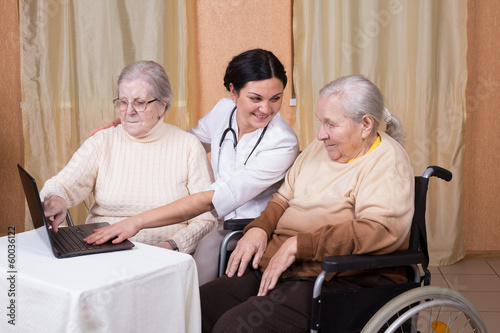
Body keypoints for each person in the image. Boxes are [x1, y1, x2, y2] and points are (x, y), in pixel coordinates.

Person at [200, 75, 415, 332]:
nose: (320, 134)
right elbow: (282, 198)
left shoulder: (386, 162)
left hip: (338, 278)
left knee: (235, 327)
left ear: (366, 124)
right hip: (284, 265)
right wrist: (260, 228)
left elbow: (380, 230)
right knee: (201, 305)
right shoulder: (319, 149)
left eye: (331, 124)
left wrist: (300, 245)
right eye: (320, 122)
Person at [84, 49, 300, 283]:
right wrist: (134, 127)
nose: (266, 109)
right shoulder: (222, 111)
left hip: (244, 227)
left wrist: (136, 222)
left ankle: (190, 314)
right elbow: (185, 144)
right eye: (256, 98)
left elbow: (211, 198)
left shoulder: (283, 142)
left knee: (200, 252)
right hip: (210, 216)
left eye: (276, 98)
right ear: (234, 92)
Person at [40, 60, 217, 254]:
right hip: (102, 251)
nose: (129, 111)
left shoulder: (188, 146)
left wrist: (171, 247)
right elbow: (61, 185)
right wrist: (56, 198)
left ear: (161, 106)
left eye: (139, 103)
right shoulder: (103, 141)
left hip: (161, 254)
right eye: (123, 102)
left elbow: (205, 219)